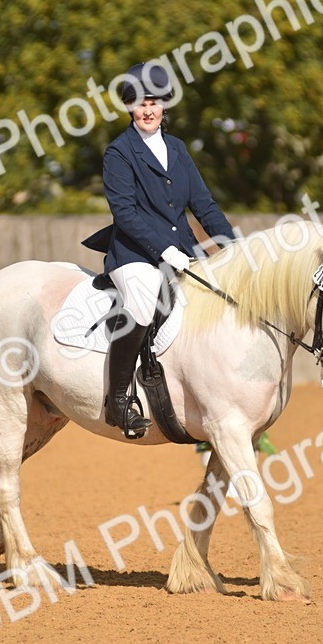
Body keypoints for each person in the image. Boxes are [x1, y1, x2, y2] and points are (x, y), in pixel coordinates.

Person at [82, 61, 238, 438]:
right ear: (129, 109)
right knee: (142, 300)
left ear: (165, 104)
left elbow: (204, 204)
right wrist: (164, 249)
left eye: (154, 101)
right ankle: (117, 400)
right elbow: (125, 212)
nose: (148, 110)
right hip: (134, 253)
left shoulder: (178, 149)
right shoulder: (119, 153)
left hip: (182, 250)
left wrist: (235, 247)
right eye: (139, 103)